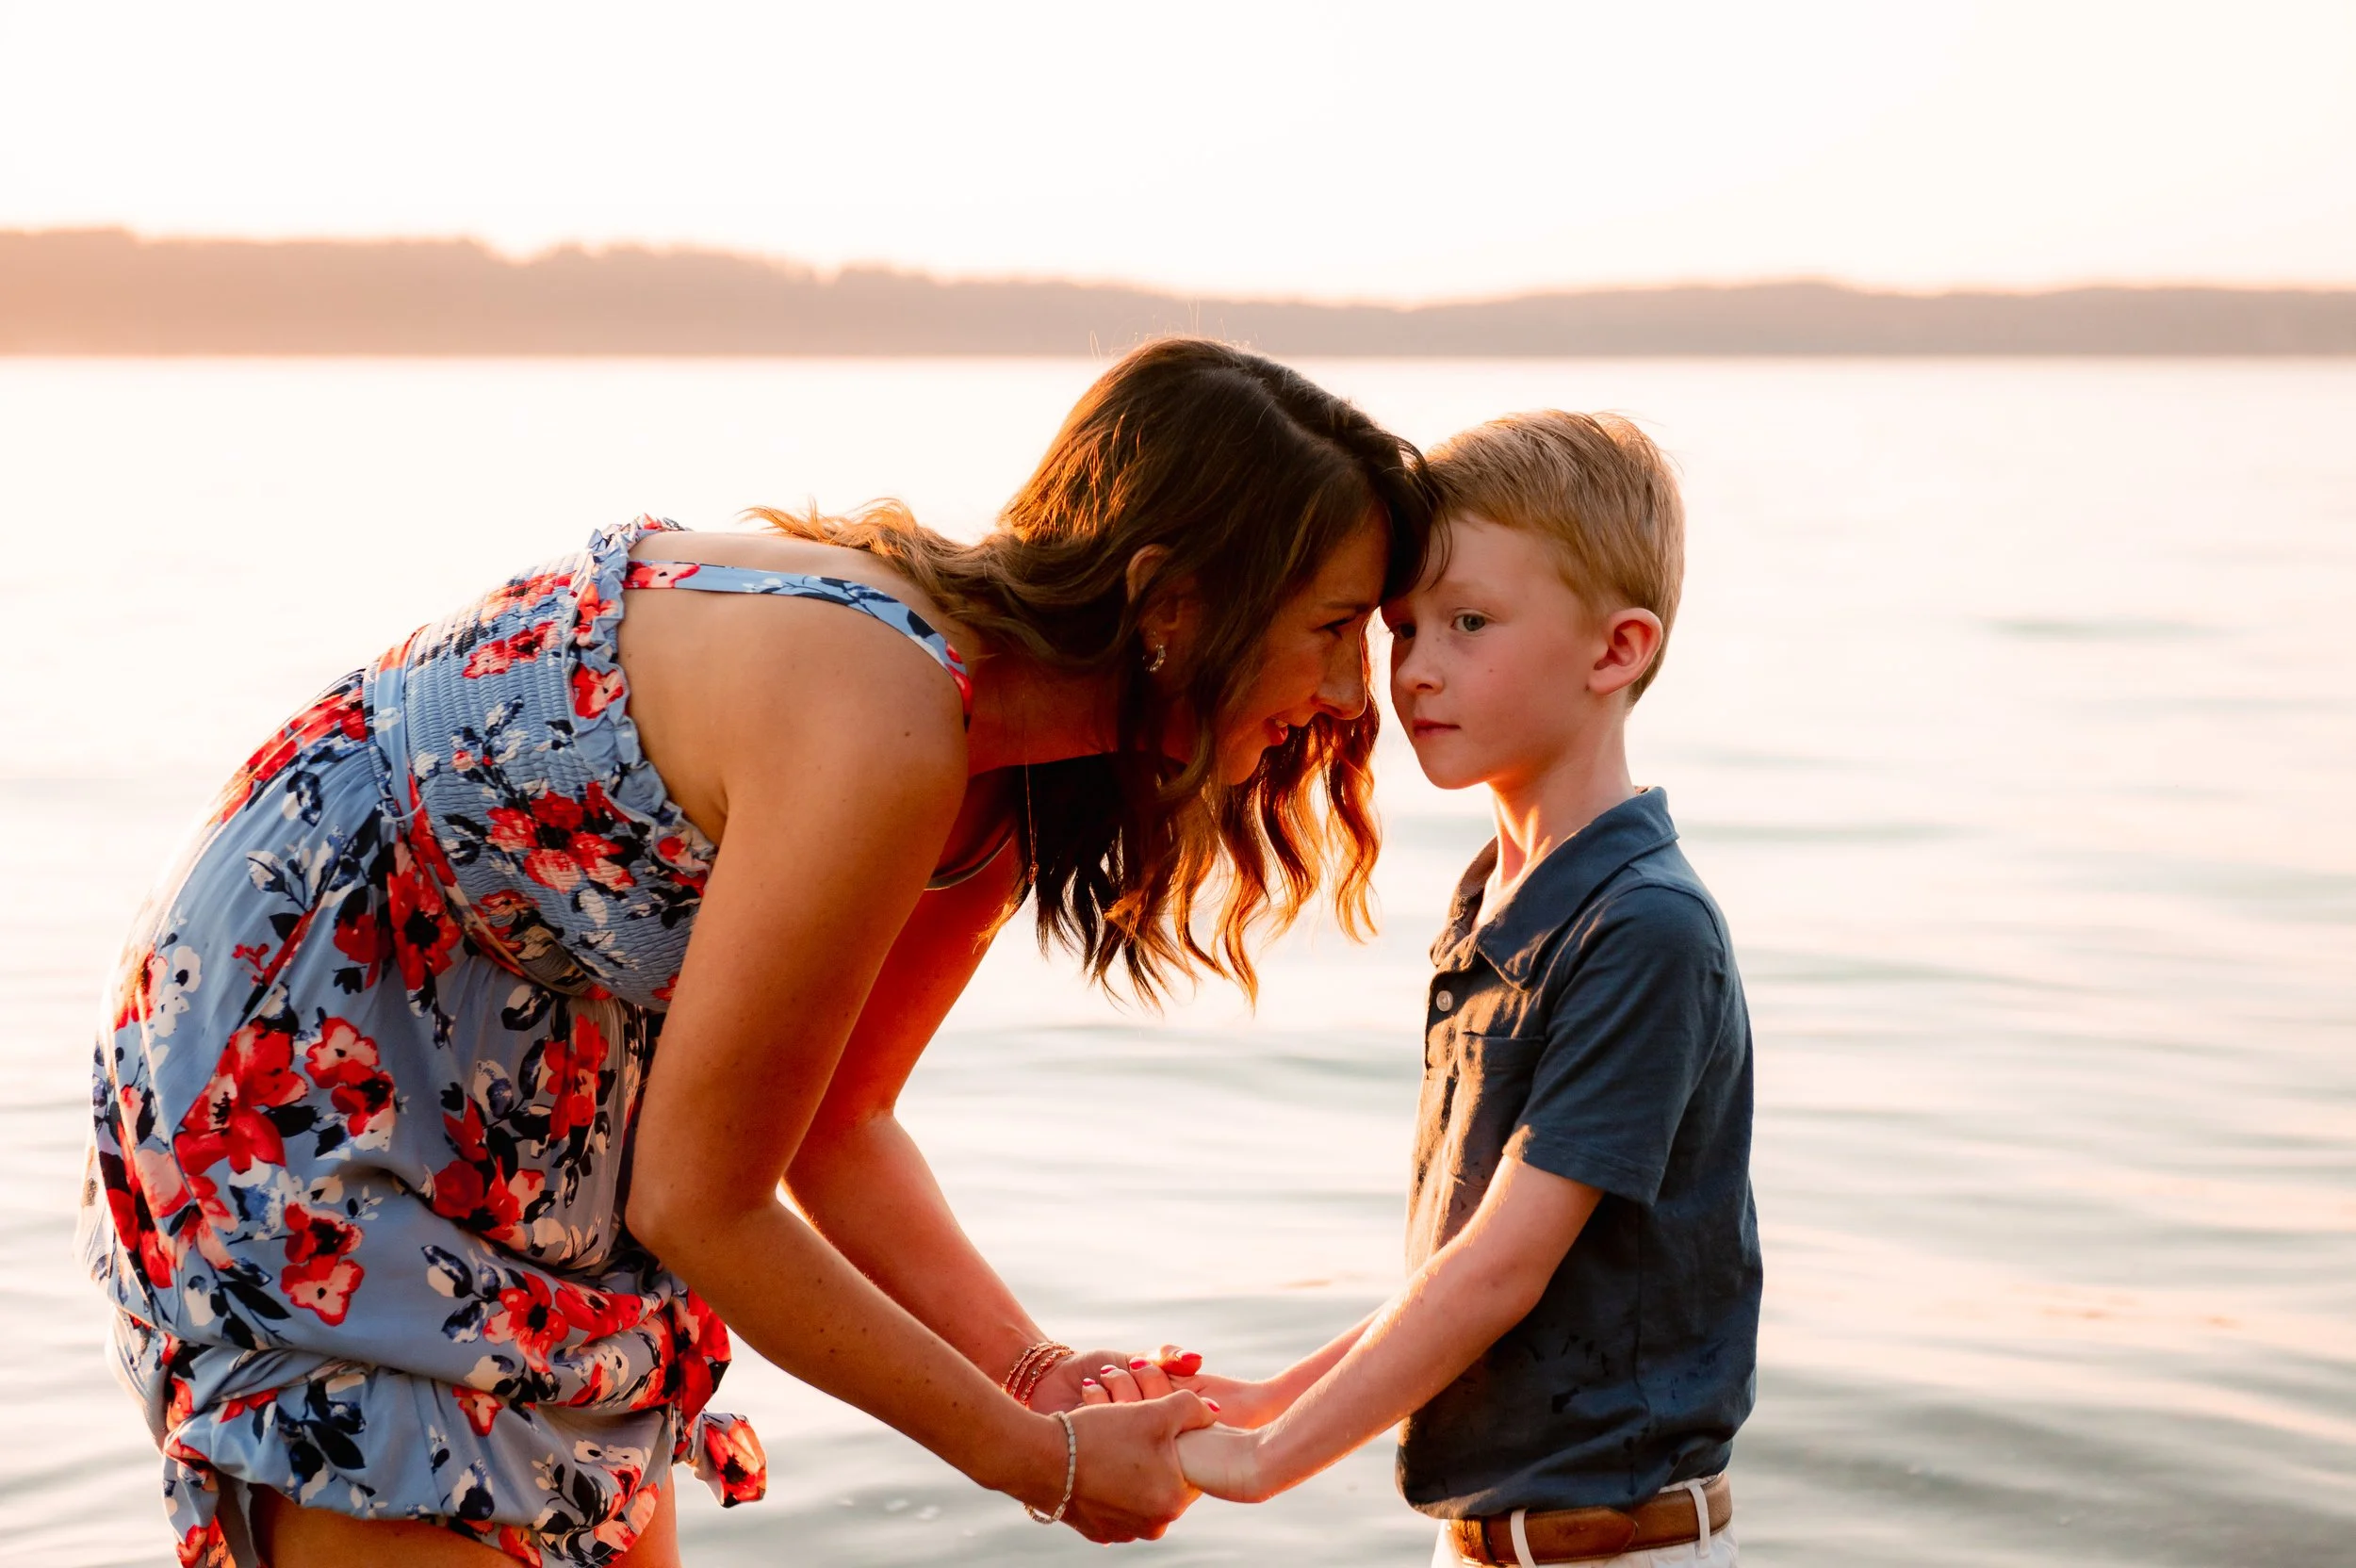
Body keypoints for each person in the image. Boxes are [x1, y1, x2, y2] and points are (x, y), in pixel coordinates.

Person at [79, 337, 1435, 1568]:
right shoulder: (887, 712)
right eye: (1329, 629)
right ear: (1169, 604)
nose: (1346, 699)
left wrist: (1035, 1374)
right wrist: (1040, 1462)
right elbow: (702, 1203)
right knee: (403, 1471)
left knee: (588, 1488)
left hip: (535, 1044)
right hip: (313, 1026)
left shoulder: (1014, 761)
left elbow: (835, 1117)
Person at [1099, 411, 1760, 1565]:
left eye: (1468, 622)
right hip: (1486, 1539)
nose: (1415, 669)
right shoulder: (1496, 900)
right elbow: (1467, 1271)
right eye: (1401, 628)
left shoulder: (1644, 926)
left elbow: (1503, 1267)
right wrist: (1271, 1398)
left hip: (1615, 1545)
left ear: (1616, 651)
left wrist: (1265, 1463)